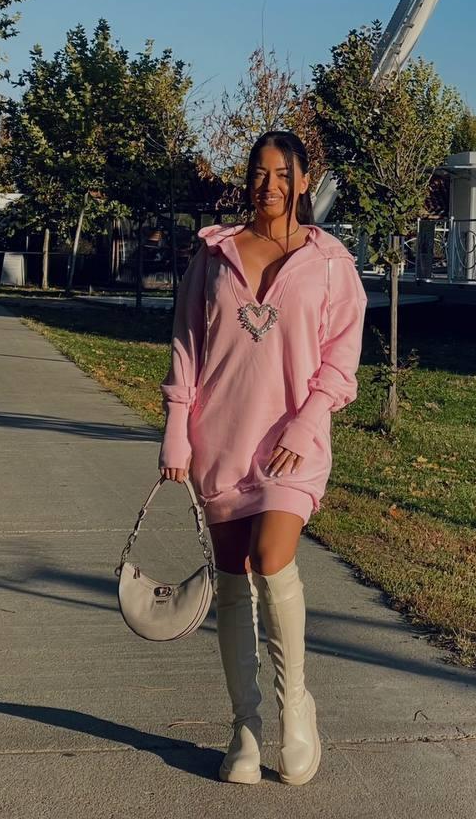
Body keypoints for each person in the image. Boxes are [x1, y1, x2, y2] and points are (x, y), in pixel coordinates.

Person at [158, 129, 368, 787]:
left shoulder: (331, 262)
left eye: (282, 174)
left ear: (304, 181)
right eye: (258, 172)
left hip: (292, 447)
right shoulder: (214, 254)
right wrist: (175, 427)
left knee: (271, 559)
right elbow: (187, 343)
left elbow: (341, 356)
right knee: (232, 580)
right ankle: (245, 727)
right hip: (219, 437)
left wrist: (309, 421)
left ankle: (293, 709)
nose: (268, 185)